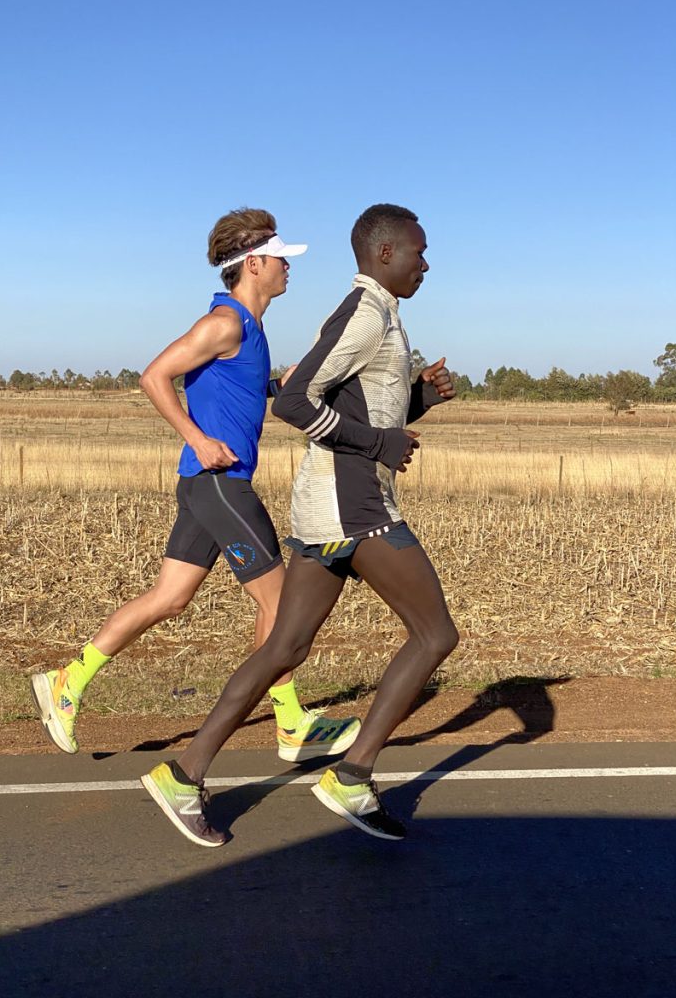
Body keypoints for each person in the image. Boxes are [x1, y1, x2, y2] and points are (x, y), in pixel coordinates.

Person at [141, 203, 458, 847]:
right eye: (420, 252)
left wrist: (421, 395)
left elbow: (356, 402)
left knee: (284, 648)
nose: (428, 263)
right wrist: (377, 446)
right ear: (385, 253)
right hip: (354, 509)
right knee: (434, 635)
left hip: (330, 509)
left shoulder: (383, 317)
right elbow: (294, 399)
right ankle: (353, 774)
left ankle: (184, 773)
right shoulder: (364, 314)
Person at [30, 207, 360, 769]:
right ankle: (291, 723)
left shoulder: (249, 329)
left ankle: (66, 681)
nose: (288, 268)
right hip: (220, 483)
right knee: (280, 605)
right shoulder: (225, 323)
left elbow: (248, 390)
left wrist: (289, 379)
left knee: (170, 597)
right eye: (281, 258)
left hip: (205, 487)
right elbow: (153, 375)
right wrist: (198, 437)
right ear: (253, 264)